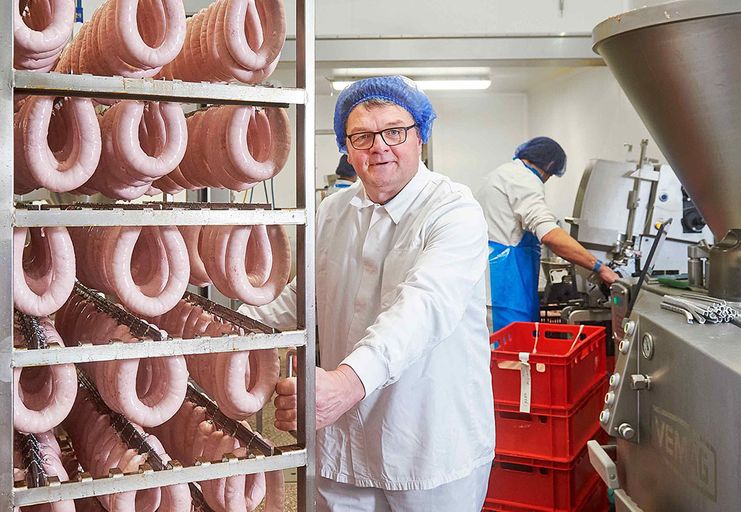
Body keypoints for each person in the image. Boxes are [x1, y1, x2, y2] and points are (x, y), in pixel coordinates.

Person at [239, 75, 495, 511]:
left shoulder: (454, 210)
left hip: (426, 445)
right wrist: (230, 327)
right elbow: (307, 293)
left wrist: (346, 382)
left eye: (395, 131)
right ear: (346, 147)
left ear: (420, 136)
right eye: (362, 136)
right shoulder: (334, 210)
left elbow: (425, 305)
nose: (379, 146)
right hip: (344, 443)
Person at [476, 136, 620, 332]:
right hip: (506, 287)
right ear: (551, 165)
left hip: (489, 284)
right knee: (513, 355)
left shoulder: (501, 174)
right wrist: (599, 267)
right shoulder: (525, 180)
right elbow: (550, 235)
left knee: (496, 355)